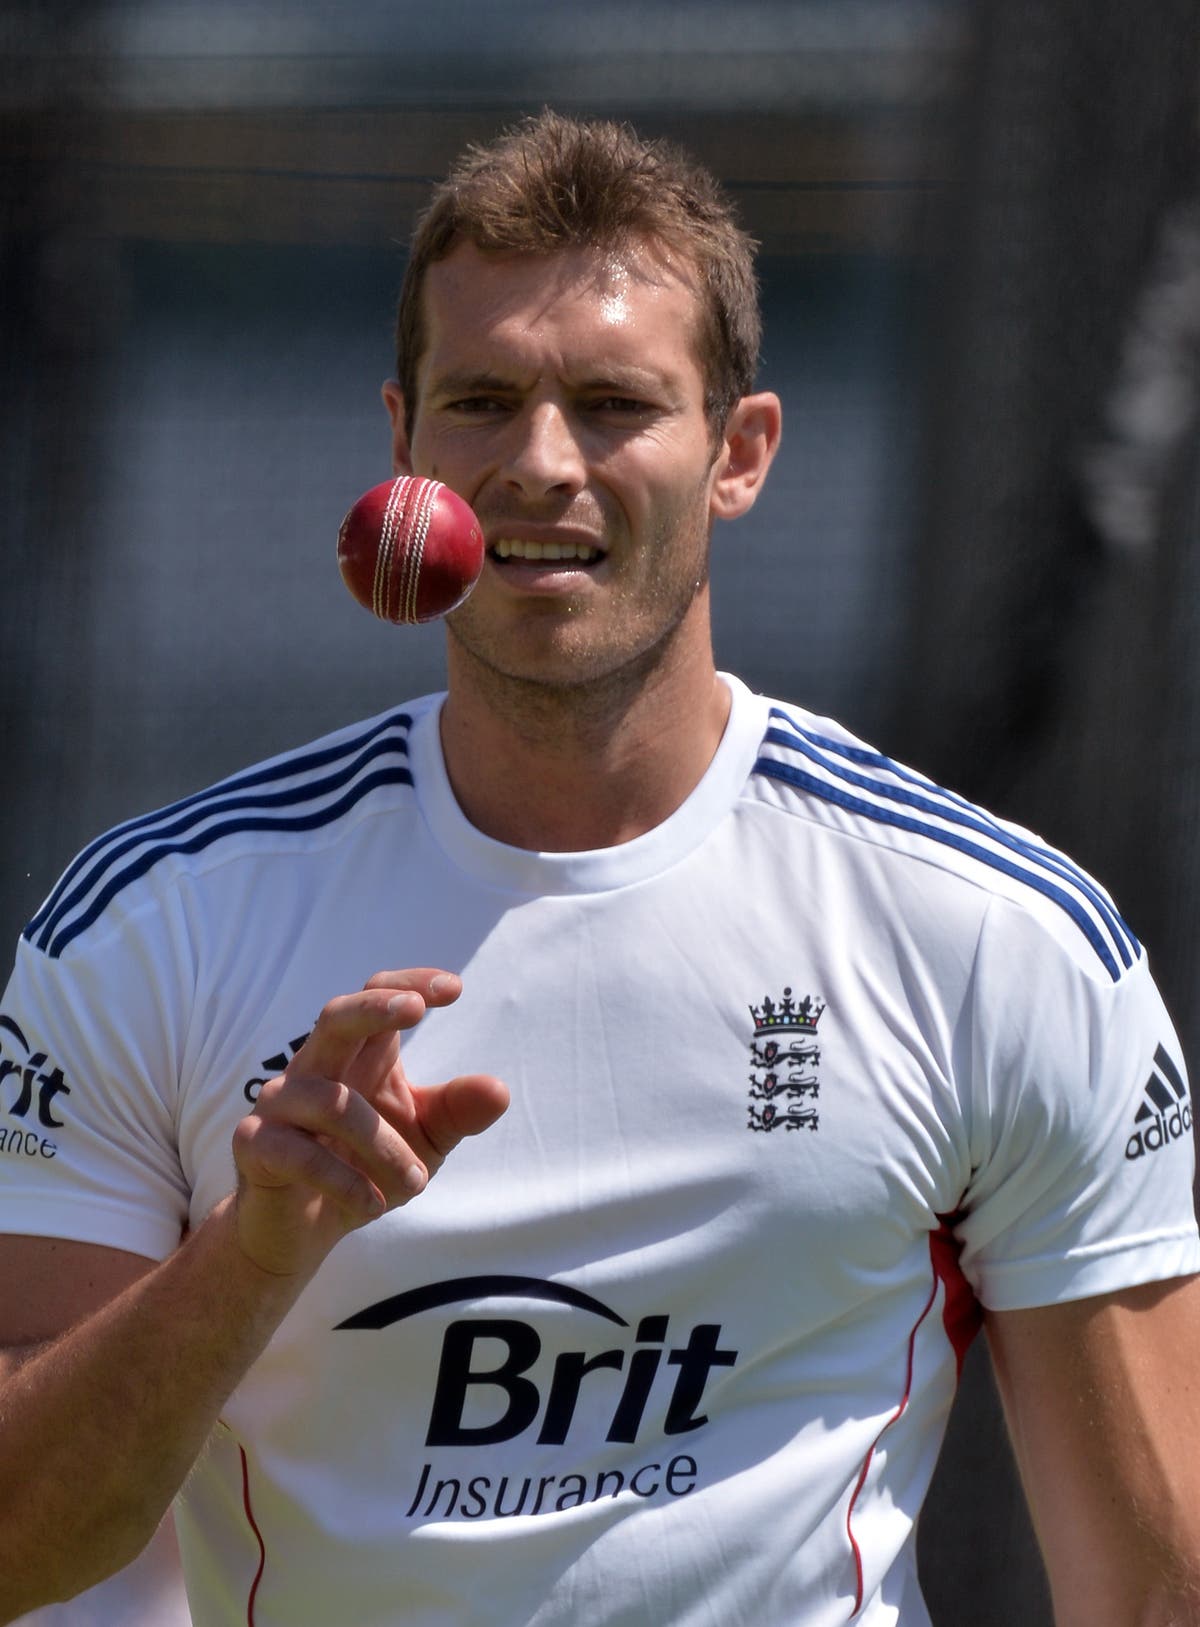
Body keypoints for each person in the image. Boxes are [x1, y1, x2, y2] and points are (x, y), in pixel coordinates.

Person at [1, 110, 1199, 1627]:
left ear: (739, 453)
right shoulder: (153, 927)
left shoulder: (992, 936)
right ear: (404, 448)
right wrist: (257, 1252)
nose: (540, 463)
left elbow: (1156, 1590)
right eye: (483, 402)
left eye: (615, 404)